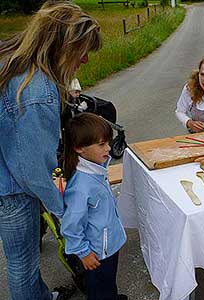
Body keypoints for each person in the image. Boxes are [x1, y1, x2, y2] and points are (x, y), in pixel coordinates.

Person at [0, 2, 101, 299]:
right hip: (13, 191)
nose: (84, 60)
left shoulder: (14, 58)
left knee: (23, 263)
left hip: (8, 176)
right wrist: (64, 209)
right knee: (23, 266)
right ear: (64, 45)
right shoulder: (36, 91)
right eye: (82, 50)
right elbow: (34, 171)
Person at [61, 113, 127, 300]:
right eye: (101, 144)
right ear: (79, 148)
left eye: (108, 142)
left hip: (107, 246)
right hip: (97, 254)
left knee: (108, 282)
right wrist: (84, 253)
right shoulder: (81, 187)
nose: (108, 149)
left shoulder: (96, 167)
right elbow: (71, 226)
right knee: (99, 289)